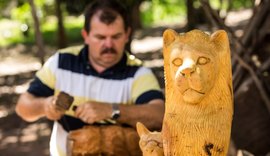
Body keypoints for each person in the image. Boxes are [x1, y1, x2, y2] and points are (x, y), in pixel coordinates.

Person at [15, 0, 165, 155]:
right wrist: (46, 105)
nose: (108, 44)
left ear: (127, 34)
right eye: (100, 37)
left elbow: (159, 115)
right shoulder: (61, 62)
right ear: (85, 35)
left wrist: (112, 110)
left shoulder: (138, 73)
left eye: (116, 36)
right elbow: (23, 107)